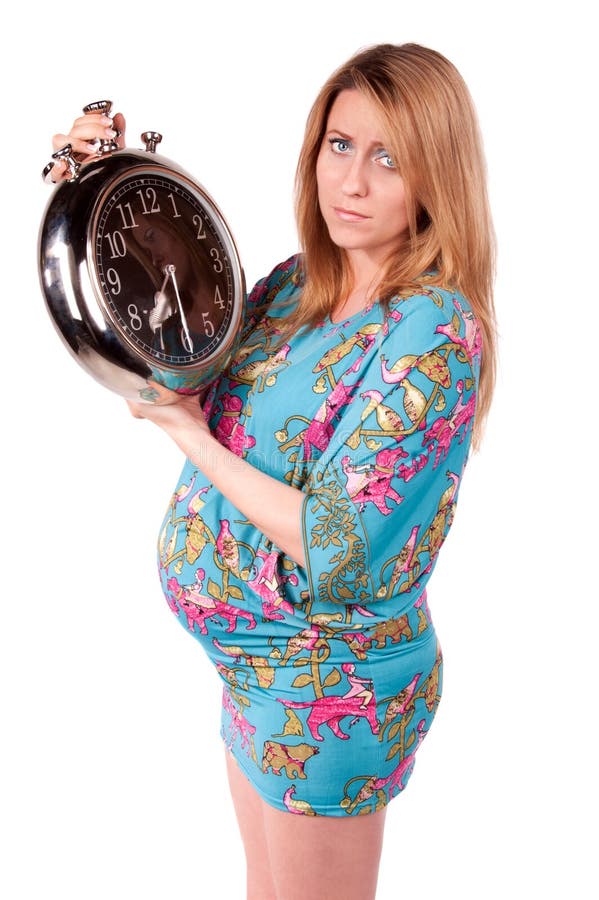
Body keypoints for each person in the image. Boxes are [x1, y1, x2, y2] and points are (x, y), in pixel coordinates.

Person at [49, 42, 496, 900]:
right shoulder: (295, 287)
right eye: (339, 144)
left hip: (328, 682)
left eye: (388, 158)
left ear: (437, 178)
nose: (352, 182)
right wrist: (96, 182)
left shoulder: (434, 332)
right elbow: (171, 353)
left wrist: (190, 437)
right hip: (253, 666)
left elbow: (338, 543)